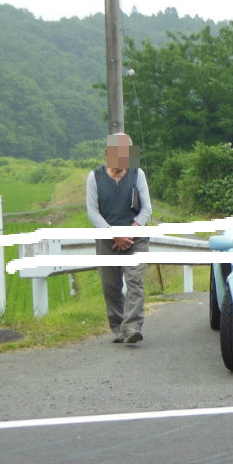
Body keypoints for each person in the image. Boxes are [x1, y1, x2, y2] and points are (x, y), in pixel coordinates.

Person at [86, 133, 152, 344]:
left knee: (134, 279)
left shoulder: (137, 174)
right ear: (107, 153)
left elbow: (147, 209)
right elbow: (93, 212)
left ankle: (133, 326)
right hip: (107, 237)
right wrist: (114, 233)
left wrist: (129, 232)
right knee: (111, 284)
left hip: (135, 237)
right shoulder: (94, 177)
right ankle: (118, 327)